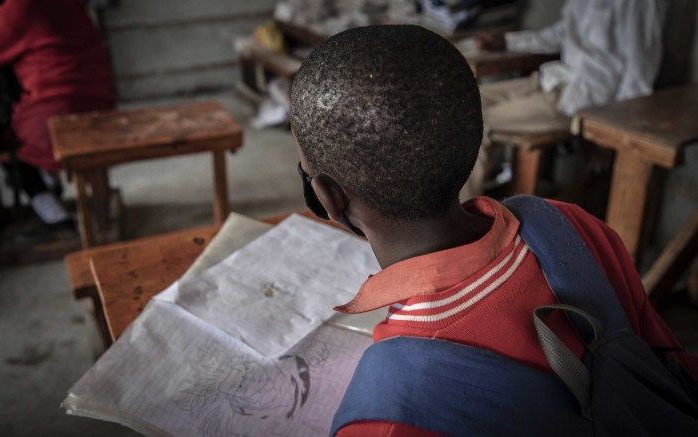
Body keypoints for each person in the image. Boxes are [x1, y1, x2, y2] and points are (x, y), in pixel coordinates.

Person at [290, 24, 698, 436]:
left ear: (329, 198)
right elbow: (670, 363)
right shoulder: (572, 225)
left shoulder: (388, 418)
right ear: (471, 139)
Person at [460, 0, 667, 199]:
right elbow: (561, 33)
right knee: (463, 102)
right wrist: (506, 41)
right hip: (553, 80)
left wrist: (609, 133)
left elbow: (639, 75)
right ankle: (458, 200)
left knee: (480, 121)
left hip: (583, 102)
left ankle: (458, 225)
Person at [0, 0, 114, 232]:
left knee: (4, 135)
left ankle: (41, 196)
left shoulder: (17, 9)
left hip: (55, 115)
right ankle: (49, 183)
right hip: (100, 103)